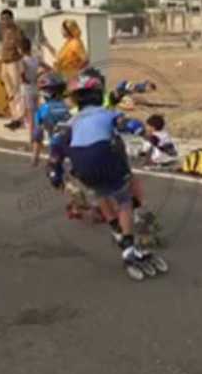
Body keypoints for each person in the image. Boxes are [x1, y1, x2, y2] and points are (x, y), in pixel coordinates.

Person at [45, 69, 167, 280]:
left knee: (100, 190)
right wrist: (152, 139)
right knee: (124, 200)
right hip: (106, 157)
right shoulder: (106, 112)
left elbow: (56, 151)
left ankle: (117, 231)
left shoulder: (70, 121)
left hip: (82, 166)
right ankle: (128, 248)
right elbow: (129, 125)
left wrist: (55, 174)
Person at [31, 72, 70, 167]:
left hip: (56, 148)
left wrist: (35, 158)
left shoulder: (43, 110)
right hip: (76, 148)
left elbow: (38, 136)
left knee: (54, 173)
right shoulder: (69, 106)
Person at [19, 36, 51, 143]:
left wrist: (25, 80)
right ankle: (39, 135)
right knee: (37, 113)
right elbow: (48, 68)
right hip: (35, 87)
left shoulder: (23, 60)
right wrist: (38, 75)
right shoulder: (36, 59)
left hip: (27, 88)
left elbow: (22, 75)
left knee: (30, 116)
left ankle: (32, 139)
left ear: (21, 48)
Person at [0, 9, 26, 130]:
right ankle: (14, 117)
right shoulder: (4, 31)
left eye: (6, 18)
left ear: (11, 18)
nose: (4, 21)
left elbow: (22, 48)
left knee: (17, 91)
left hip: (14, 63)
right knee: (9, 92)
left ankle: (20, 118)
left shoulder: (17, 31)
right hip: (5, 63)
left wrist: (22, 63)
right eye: (2, 19)